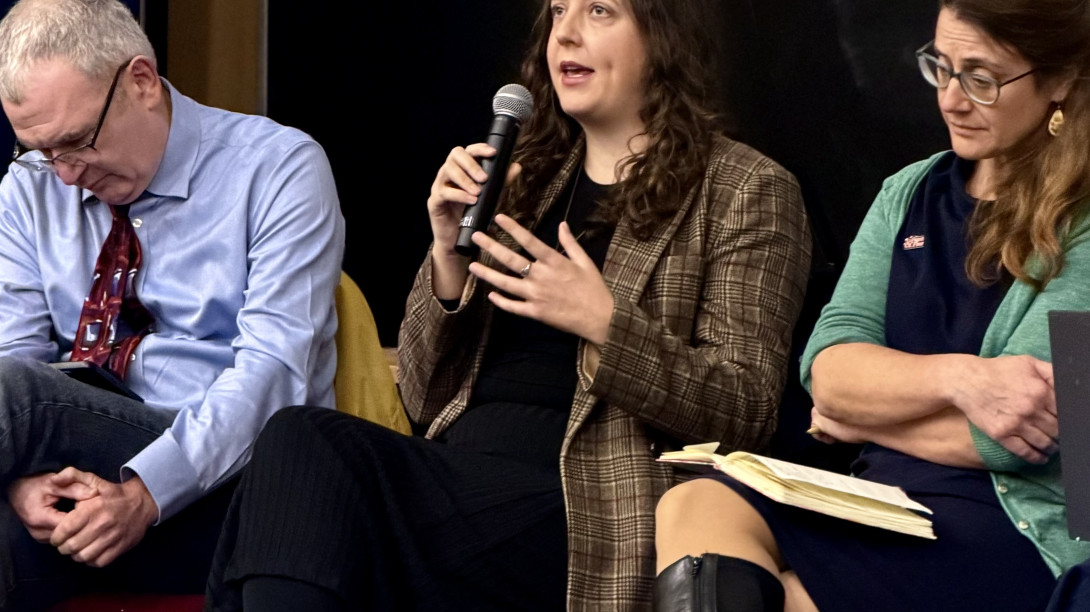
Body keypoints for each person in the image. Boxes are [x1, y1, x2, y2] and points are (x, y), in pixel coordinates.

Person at [202, 0, 811, 609]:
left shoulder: (744, 189)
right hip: (458, 480)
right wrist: (447, 256)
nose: (564, 34)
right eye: (557, 10)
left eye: (599, 11)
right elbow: (420, 396)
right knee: (295, 468)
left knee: (302, 451)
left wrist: (604, 324)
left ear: (665, 36)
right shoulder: (527, 178)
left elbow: (746, 407)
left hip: (590, 509)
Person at [653, 0, 1090, 610]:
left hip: (1014, 527)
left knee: (794, 600)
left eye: (983, 79)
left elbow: (1023, 437)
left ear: (1061, 81)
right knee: (694, 502)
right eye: (942, 67)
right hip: (880, 501)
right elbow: (827, 372)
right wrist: (960, 378)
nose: (952, 99)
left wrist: (864, 416)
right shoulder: (907, 192)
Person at [0, 0, 345, 609]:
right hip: (74, 480)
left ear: (141, 82)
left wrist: (144, 493)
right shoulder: (31, 185)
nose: (65, 176)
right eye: (41, 150)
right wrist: (18, 485)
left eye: (77, 142)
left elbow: (274, 374)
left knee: (14, 396)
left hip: (233, 487)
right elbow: (17, 347)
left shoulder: (277, 167)